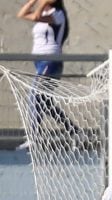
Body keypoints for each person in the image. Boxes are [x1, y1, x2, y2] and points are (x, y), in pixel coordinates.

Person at [16, 0, 78, 151]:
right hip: (39, 62)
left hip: (51, 60)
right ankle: (74, 131)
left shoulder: (58, 14)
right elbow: (21, 14)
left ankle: (34, 137)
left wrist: (42, 3)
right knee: (45, 103)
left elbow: (36, 15)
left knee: (35, 95)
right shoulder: (44, 13)